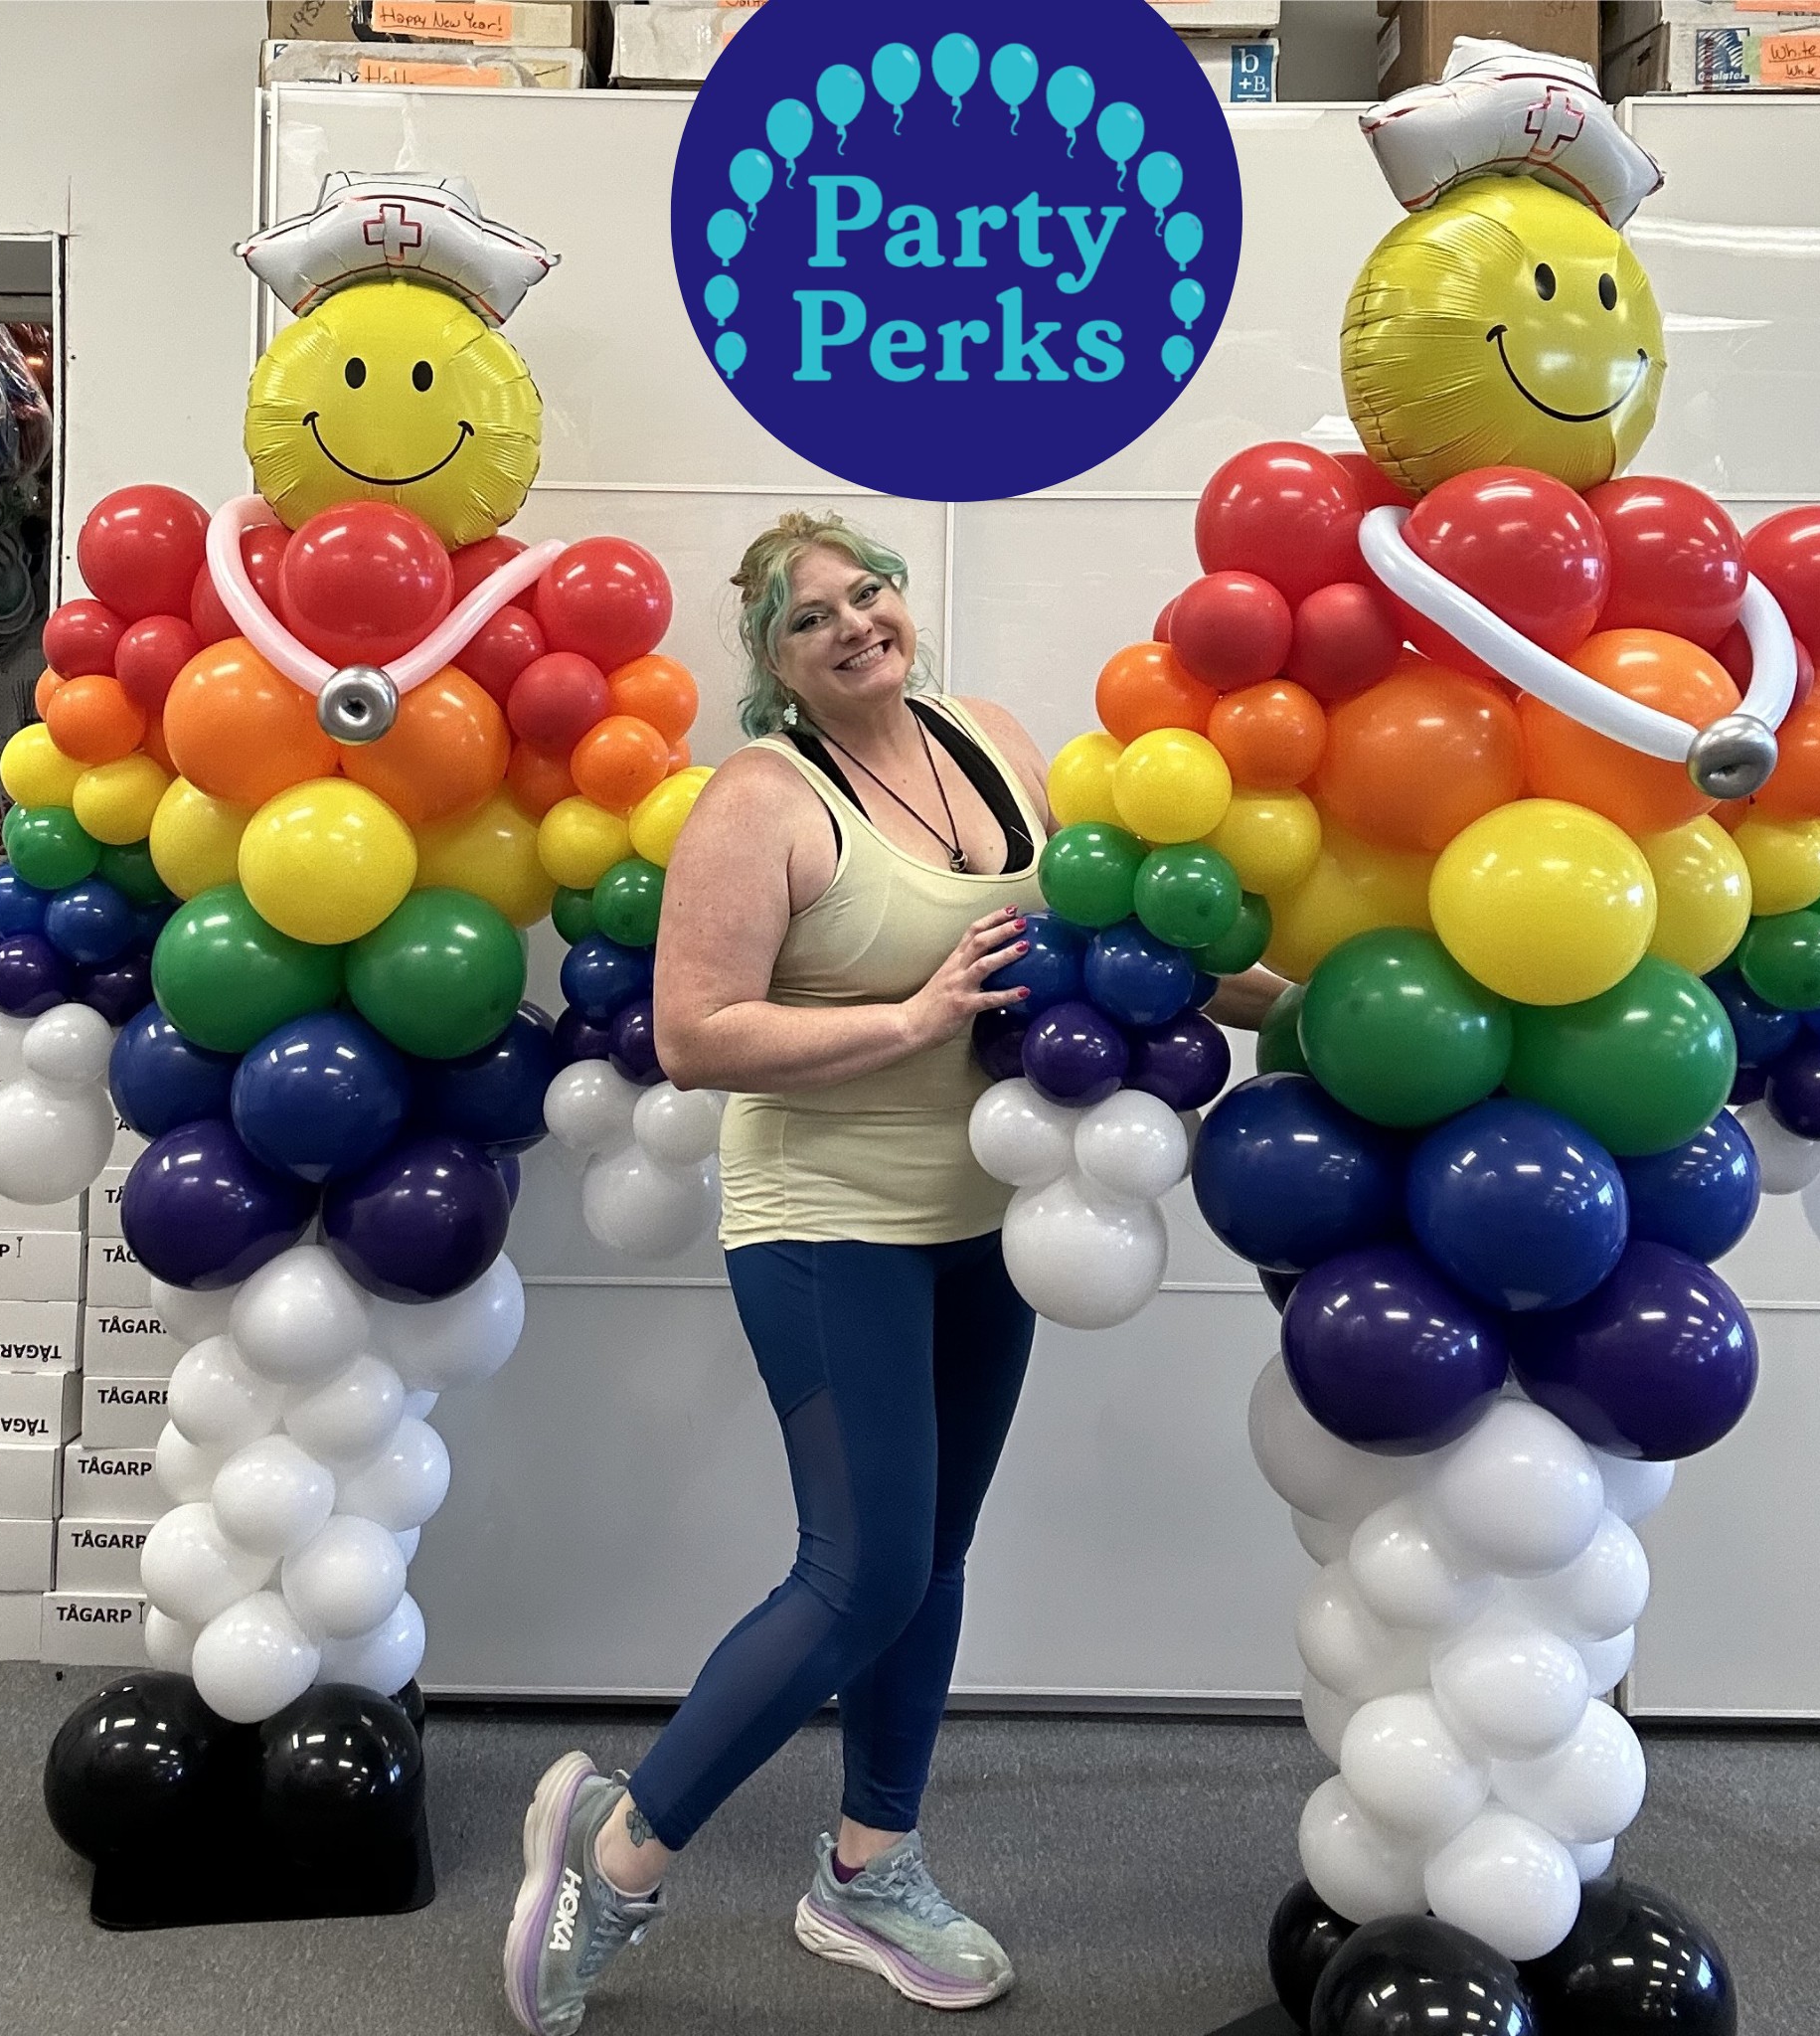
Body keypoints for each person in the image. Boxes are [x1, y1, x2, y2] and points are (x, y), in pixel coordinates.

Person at [504, 512, 1280, 2035]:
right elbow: (694, 1034)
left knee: (929, 1558)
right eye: (812, 620)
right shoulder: (760, 798)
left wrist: (1298, 1005)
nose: (856, 625)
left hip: (988, 1216)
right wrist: (910, 1020)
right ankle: (615, 1855)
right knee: (852, 1571)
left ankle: (868, 1867)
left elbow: (1115, 931)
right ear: (774, 667)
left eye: (867, 595)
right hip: (823, 1221)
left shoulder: (989, 738)